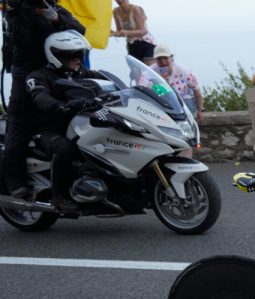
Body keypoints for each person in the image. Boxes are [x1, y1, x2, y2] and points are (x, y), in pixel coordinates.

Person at [1, 0, 84, 199]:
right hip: (27, 73)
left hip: (57, 70)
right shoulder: (18, 10)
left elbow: (80, 29)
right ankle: (14, 181)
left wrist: (54, 16)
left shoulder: (52, 6)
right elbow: (21, 40)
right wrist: (18, 12)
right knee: (20, 123)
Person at [26, 30, 102, 211]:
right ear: (57, 56)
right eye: (73, 55)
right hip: (48, 129)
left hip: (76, 125)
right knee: (65, 148)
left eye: (80, 54)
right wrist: (61, 106)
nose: (78, 59)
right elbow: (40, 97)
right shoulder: (38, 76)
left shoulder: (81, 73)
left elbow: (108, 83)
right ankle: (59, 195)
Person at [150, 43, 204, 123]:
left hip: (184, 101)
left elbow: (196, 90)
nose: (163, 61)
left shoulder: (183, 70)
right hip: (163, 102)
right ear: (156, 60)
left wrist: (200, 110)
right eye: (159, 59)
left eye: (165, 58)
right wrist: (164, 83)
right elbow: (151, 93)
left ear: (171, 58)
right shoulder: (151, 72)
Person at [110, 0, 156, 66]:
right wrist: (113, 33)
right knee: (136, 74)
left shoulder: (136, 9)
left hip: (146, 43)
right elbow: (120, 31)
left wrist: (127, 32)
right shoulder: (115, 11)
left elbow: (142, 31)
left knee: (149, 71)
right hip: (132, 45)